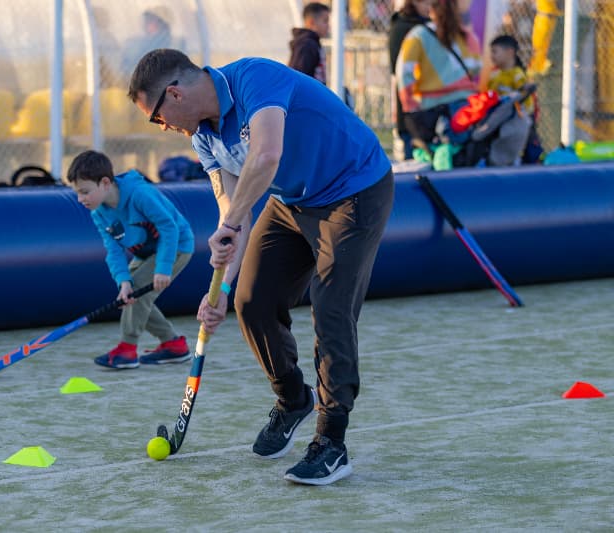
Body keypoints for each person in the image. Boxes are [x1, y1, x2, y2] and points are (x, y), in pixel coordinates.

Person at [127, 49, 393, 485]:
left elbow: (266, 155)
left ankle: (331, 443)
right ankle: (293, 400)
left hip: (354, 191)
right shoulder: (203, 138)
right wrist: (220, 292)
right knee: (251, 302)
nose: (164, 128)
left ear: (173, 94)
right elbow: (234, 211)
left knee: (330, 309)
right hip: (295, 202)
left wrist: (230, 223)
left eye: (157, 117)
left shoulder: (254, 78)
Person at [66, 150, 195, 369]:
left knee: (138, 294)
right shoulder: (98, 212)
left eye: (85, 192)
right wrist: (123, 280)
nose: (80, 199)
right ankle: (173, 345)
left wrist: (163, 268)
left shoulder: (139, 194)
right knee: (132, 295)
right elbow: (113, 250)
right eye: (77, 193)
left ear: (105, 183)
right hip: (145, 252)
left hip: (176, 247)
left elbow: (169, 228)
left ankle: (127, 349)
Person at [395, 0, 482, 153]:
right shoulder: (466, 36)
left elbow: (404, 71)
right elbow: (476, 68)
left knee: (435, 158)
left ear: (432, 10)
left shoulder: (418, 35)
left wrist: (409, 103)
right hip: (466, 106)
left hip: (431, 109)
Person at [487, 34, 543, 164]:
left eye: (495, 51)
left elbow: (525, 98)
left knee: (528, 148)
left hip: (518, 121)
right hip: (501, 120)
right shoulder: (495, 76)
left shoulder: (517, 75)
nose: (492, 56)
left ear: (510, 52)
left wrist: (524, 117)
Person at [388, 0, 431, 160]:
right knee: (414, 156)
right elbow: (399, 68)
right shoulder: (403, 27)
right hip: (411, 104)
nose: (429, 8)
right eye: (426, 3)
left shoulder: (429, 26)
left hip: (430, 104)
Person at [288, 2, 330, 84]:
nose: (328, 25)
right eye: (325, 21)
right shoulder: (307, 45)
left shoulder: (313, 43)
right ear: (312, 22)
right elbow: (299, 78)